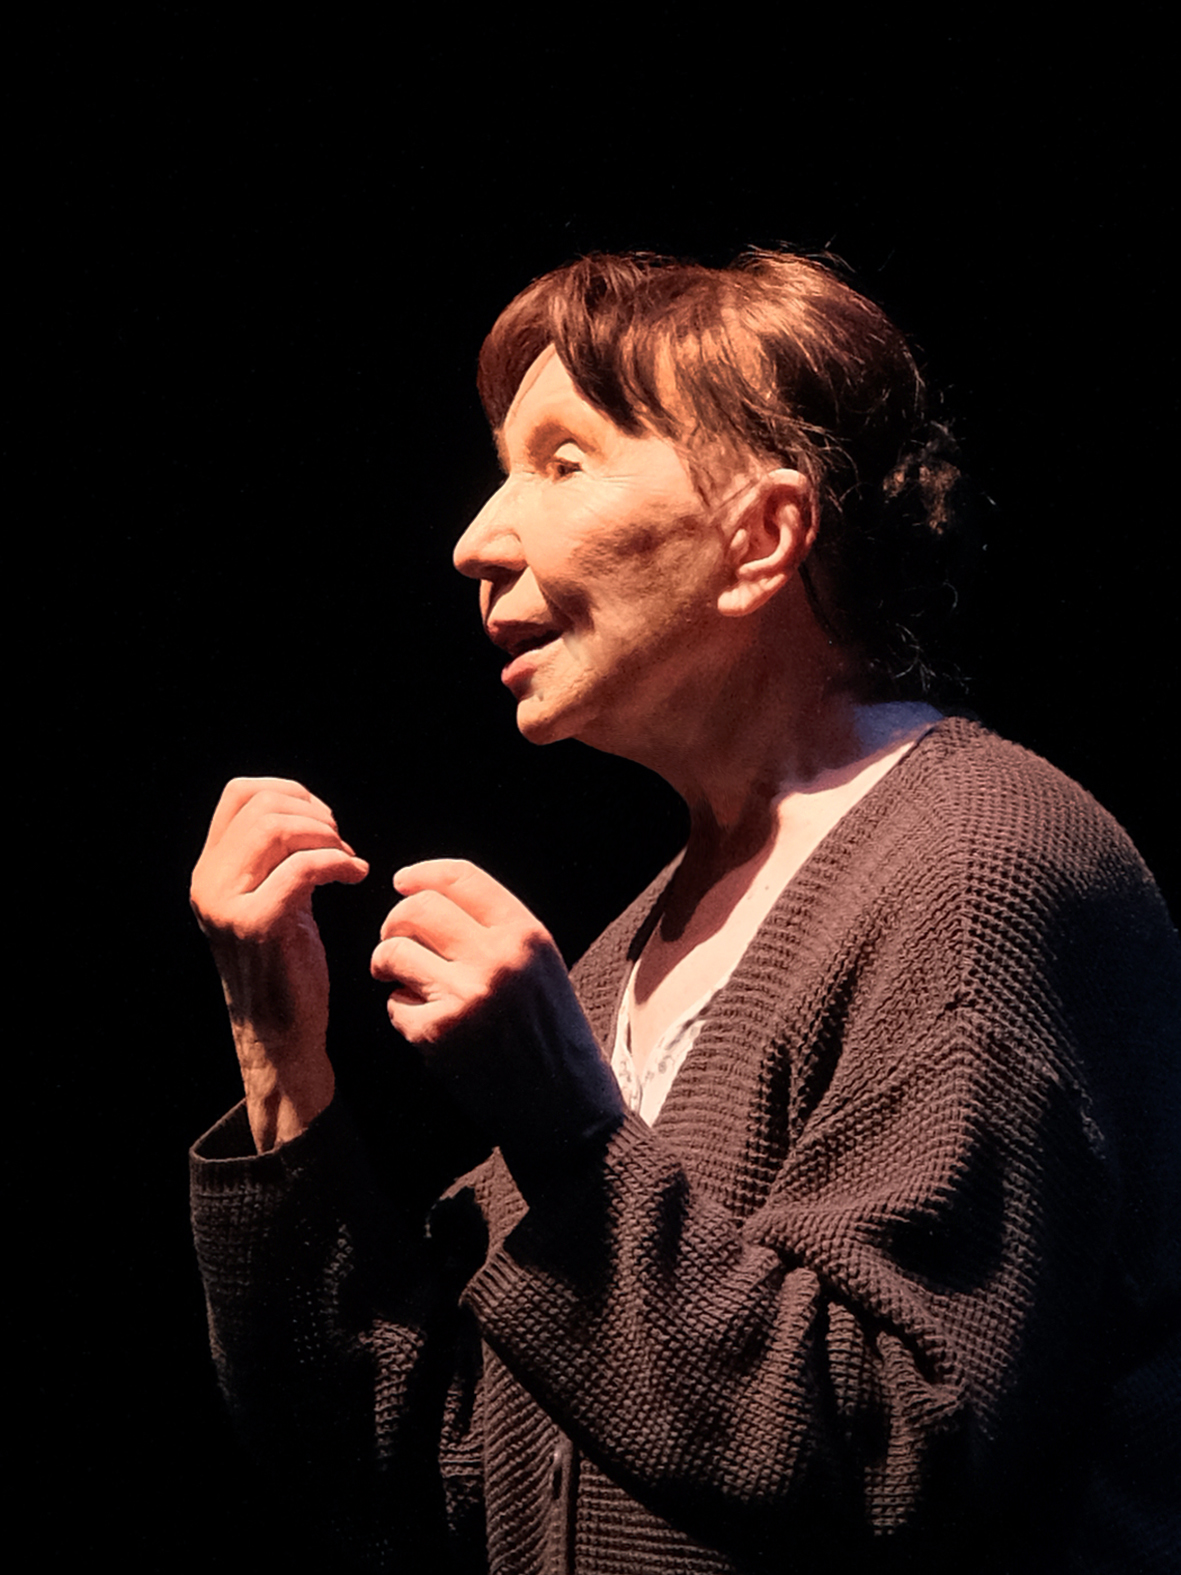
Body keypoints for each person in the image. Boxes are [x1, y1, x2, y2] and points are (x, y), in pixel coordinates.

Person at [189, 252, 1180, 1573]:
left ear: (760, 535)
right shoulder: (630, 956)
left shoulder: (975, 867)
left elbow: (893, 1457)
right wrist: (279, 1065)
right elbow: (415, 1468)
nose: (476, 539)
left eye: (562, 461)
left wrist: (567, 1133)